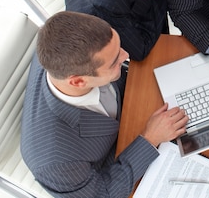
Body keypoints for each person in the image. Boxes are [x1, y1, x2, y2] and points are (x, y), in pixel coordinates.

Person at [21, 11, 188, 198]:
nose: (126, 55)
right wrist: (149, 140)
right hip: (116, 159)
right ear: (78, 82)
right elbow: (103, 194)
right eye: (115, 61)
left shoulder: (73, 45)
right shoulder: (55, 163)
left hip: (131, 110)